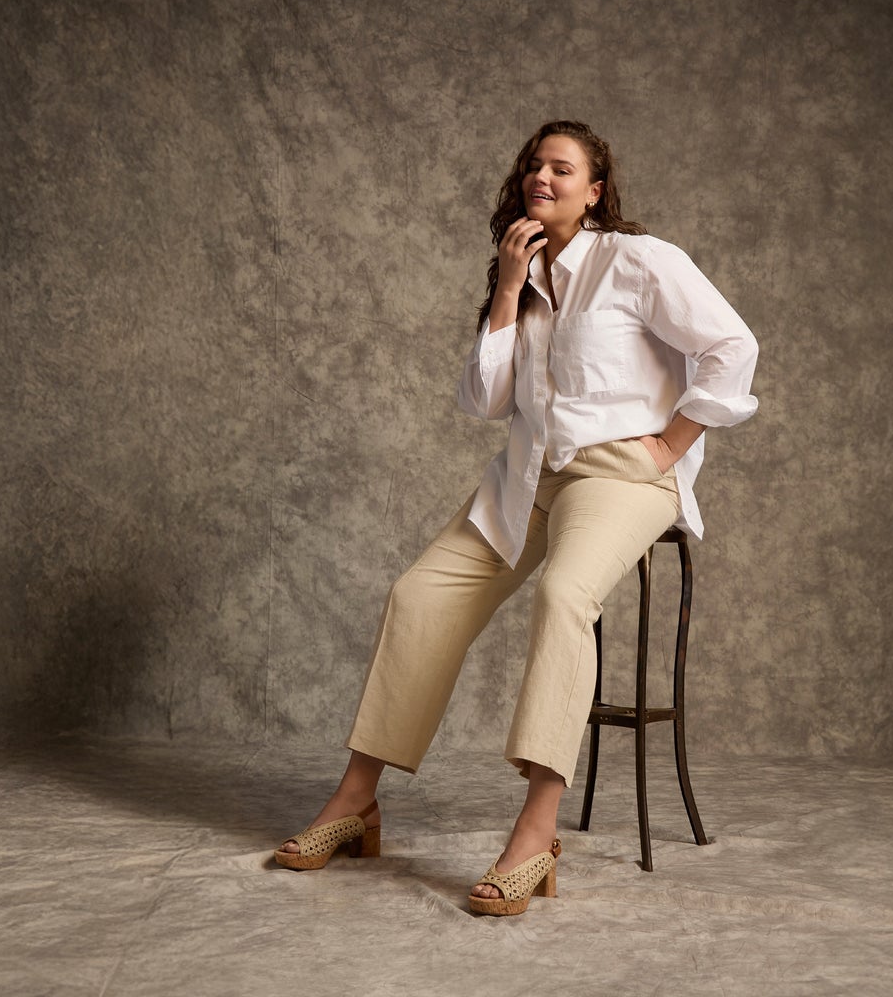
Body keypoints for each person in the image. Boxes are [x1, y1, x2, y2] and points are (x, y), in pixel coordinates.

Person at [271, 119, 761, 916]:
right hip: (530, 477)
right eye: (535, 166)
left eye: (562, 169)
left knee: (564, 596)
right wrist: (507, 287)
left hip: (619, 476)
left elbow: (732, 346)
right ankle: (355, 802)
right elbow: (483, 400)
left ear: (594, 191)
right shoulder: (525, 277)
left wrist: (671, 444)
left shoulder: (637, 261)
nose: (543, 177)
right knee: (420, 593)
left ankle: (535, 834)